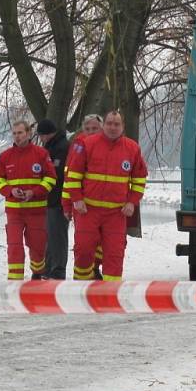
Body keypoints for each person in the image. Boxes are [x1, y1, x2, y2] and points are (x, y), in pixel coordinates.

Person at [64, 111, 147, 281]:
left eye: (117, 124)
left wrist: (132, 202)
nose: (112, 127)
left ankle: (110, 295)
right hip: (88, 210)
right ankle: (81, 286)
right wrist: (76, 199)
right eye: (109, 123)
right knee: (84, 250)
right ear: (104, 125)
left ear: (123, 127)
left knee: (115, 254)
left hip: (116, 214)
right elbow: (73, 174)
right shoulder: (88, 144)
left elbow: (139, 179)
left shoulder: (132, 148)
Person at [0, 121, 57, 280]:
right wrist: (10, 191)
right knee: (14, 246)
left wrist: (34, 192)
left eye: (20, 133)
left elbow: (51, 178)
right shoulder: (5, 156)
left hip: (37, 211)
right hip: (14, 210)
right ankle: (14, 280)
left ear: (28, 134)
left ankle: (37, 271)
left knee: (37, 246)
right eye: (14, 133)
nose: (17, 136)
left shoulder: (41, 154)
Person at [61, 114, 104, 279]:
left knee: (104, 242)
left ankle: (95, 267)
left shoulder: (108, 144)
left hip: (106, 205)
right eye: (87, 129)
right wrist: (67, 204)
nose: (91, 132)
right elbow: (69, 175)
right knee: (85, 243)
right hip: (83, 205)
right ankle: (83, 275)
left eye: (94, 129)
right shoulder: (79, 144)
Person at [35, 118, 70, 280]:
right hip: (50, 200)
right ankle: (48, 268)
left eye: (41, 136)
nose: (40, 139)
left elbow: (60, 176)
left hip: (58, 200)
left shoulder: (61, 148)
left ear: (47, 134)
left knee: (57, 238)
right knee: (49, 237)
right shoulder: (51, 147)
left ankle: (57, 270)